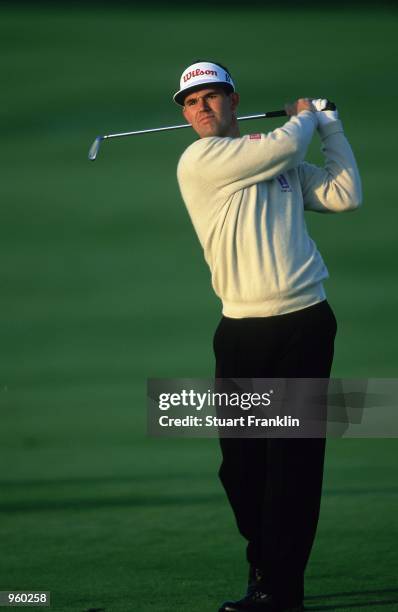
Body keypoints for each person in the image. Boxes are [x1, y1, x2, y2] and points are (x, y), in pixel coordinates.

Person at [174, 60, 362, 612]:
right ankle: (267, 562)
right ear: (185, 115)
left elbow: (344, 195)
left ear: (234, 101)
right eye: (191, 102)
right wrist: (306, 116)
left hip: (304, 324)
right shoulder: (200, 160)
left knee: (293, 462)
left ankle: (279, 587)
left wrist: (332, 130)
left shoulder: (276, 157)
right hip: (240, 332)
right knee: (242, 468)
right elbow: (279, 149)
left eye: (211, 97)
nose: (201, 108)